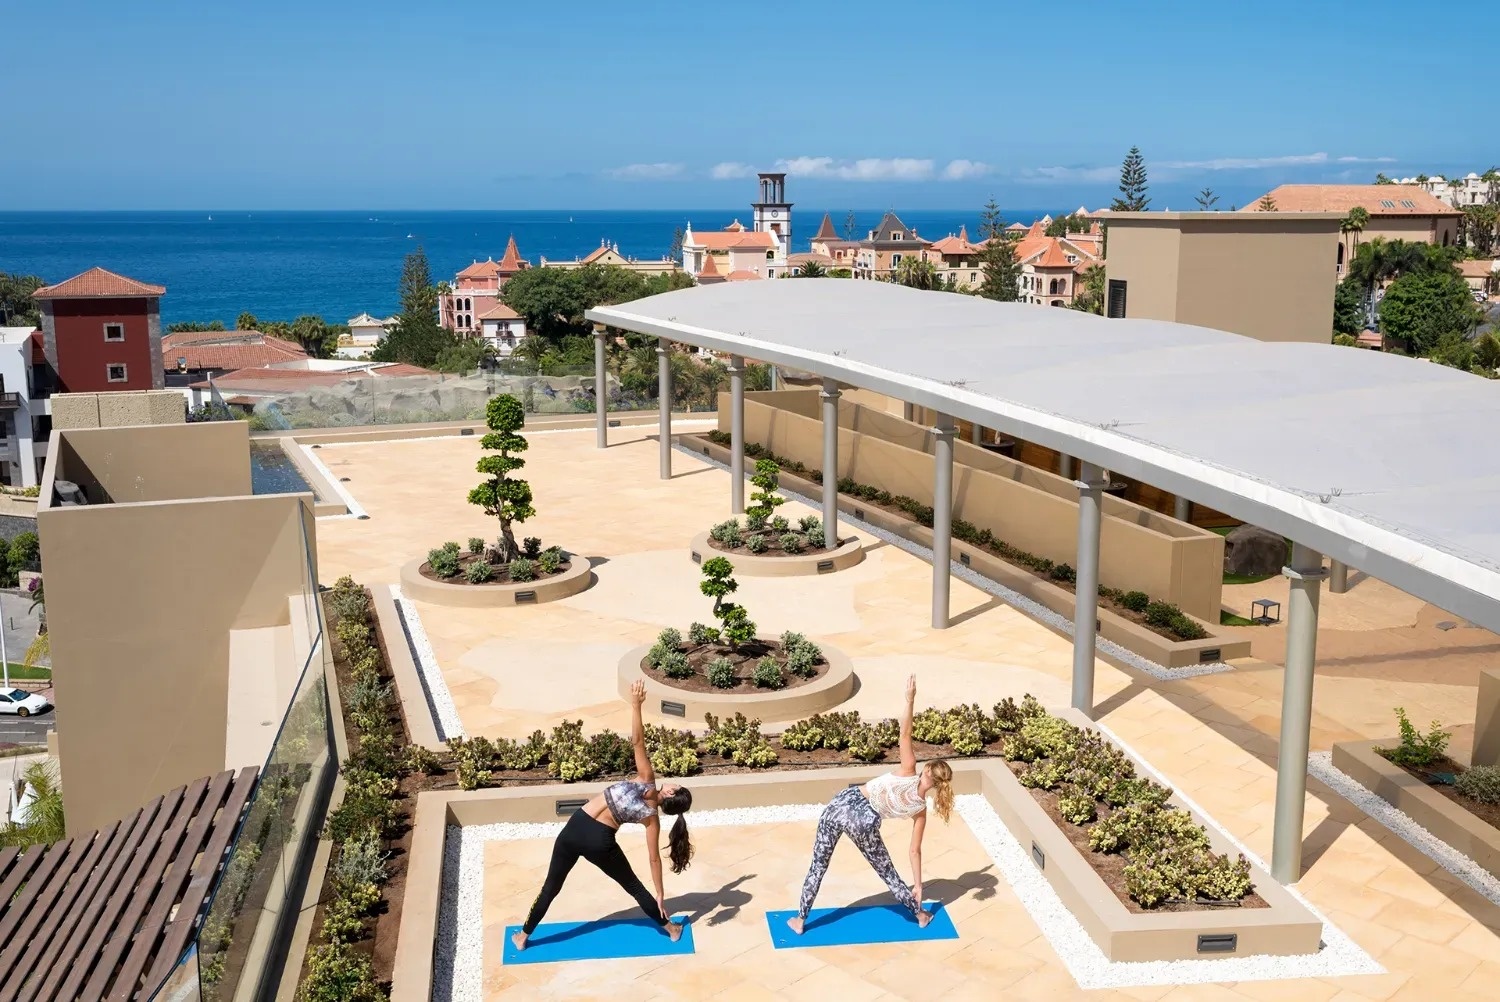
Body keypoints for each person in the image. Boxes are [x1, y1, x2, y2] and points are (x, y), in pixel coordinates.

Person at [512, 680, 694, 950]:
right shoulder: (651, 818)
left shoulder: (646, 779)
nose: (671, 784)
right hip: (600, 841)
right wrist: (659, 893)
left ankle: (523, 936)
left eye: (674, 786)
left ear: (670, 793)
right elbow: (654, 859)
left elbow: (637, 741)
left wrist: (636, 705)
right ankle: (671, 929)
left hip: (576, 827)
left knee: (551, 886)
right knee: (633, 886)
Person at [788, 675, 953, 934]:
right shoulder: (920, 810)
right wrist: (918, 885)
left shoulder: (910, 771)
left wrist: (910, 700)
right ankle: (919, 915)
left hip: (844, 803)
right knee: (886, 871)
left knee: (819, 863)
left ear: (927, 771)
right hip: (866, 821)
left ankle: (800, 919)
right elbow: (914, 851)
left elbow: (905, 732)